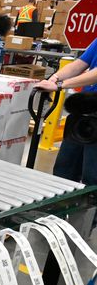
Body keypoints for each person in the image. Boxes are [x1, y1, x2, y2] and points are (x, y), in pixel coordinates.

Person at [36, 37, 97, 185]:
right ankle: (62, 206)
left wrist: (61, 85)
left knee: (92, 176)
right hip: (84, 110)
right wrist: (54, 78)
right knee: (64, 170)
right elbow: (79, 64)